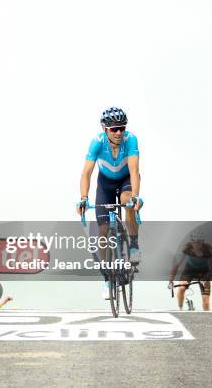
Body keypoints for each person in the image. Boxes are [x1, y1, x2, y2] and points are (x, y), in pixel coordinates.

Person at [76, 107, 143, 299]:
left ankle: (134, 244)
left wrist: (135, 197)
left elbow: (134, 170)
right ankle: (107, 279)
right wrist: (83, 198)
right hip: (104, 183)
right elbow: (86, 172)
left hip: (126, 181)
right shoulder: (97, 143)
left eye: (122, 127)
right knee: (103, 231)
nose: (119, 132)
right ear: (105, 129)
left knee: (126, 200)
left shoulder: (131, 139)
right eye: (114, 129)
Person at [168, 230, 212, 311]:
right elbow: (176, 265)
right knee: (182, 288)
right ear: (191, 242)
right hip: (189, 270)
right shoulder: (186, 248)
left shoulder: (209, 249)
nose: (196, 245)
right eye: (194, 242)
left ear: (202, 242)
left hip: (204, 272)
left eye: (199, 242)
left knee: (206, 301)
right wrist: (171, 280)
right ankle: (181, 309)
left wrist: (206, 278)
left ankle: (207, 313)